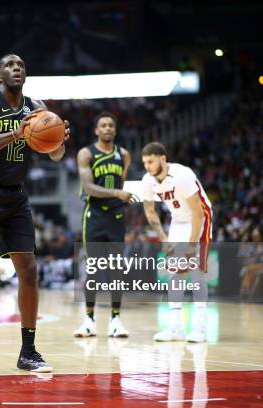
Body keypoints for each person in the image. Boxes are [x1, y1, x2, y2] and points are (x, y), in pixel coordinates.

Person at [0, 54, 70, 375]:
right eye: (10, 65)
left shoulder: (37, 107)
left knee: (30, 270)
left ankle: (28, 351)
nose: (17, 68)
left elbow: (56, 155)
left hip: (16, 194)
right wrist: (15, 134)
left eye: (21, 65)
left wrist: (59, 139)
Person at [73, 112, 137, 338]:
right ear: (96, 130)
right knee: (93, 269)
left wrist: (119, 195)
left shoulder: (124, 155)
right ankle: (89, 319)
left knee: (116, 271)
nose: (108, 128)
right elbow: (89, 187)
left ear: (115, 130)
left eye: (111, 125)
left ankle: (115, 319)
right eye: (103, 125)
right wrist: (116, 193)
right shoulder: (86, 153)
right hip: (94, 216)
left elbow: (122, 183)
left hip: (116, 218)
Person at [141, 142, 213, 343]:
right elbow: (149, 210)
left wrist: (191, 245)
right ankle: (175, 328)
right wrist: (164, 239)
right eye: (145, 162)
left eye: (151, 161)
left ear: (162, 159)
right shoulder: (148, 180)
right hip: (178, 220)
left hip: (200, 218)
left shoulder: (182, 174)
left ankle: (200, 328)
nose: (147, 166)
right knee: (175, 272)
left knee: (197, 272)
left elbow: (198, 212)